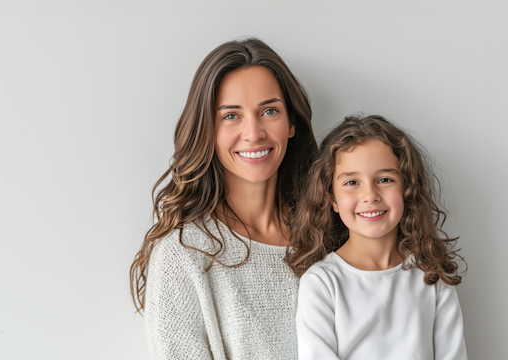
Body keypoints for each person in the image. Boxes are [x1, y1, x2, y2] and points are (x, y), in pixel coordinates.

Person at [129, 38, 318, 359]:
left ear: (291, 123)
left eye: (269, 111)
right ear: (208, 130)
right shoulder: (183, 255)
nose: (254, 132)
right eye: (231, 115)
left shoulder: (330, 233)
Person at [286, 115, 467, 360]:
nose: (370, 195)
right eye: (352, 182)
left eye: (385, 179)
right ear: (331, 197)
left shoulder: (433, 279)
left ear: (407, 188)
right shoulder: (321, 283)